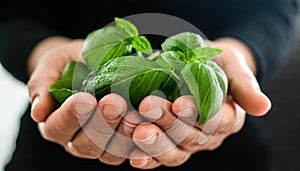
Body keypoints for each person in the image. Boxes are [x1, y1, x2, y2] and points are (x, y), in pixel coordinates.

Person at [0, 0, 298, 170]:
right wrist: (43, 50)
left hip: (223, 146)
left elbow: (275, 7)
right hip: (61, 142)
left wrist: (242, 53)